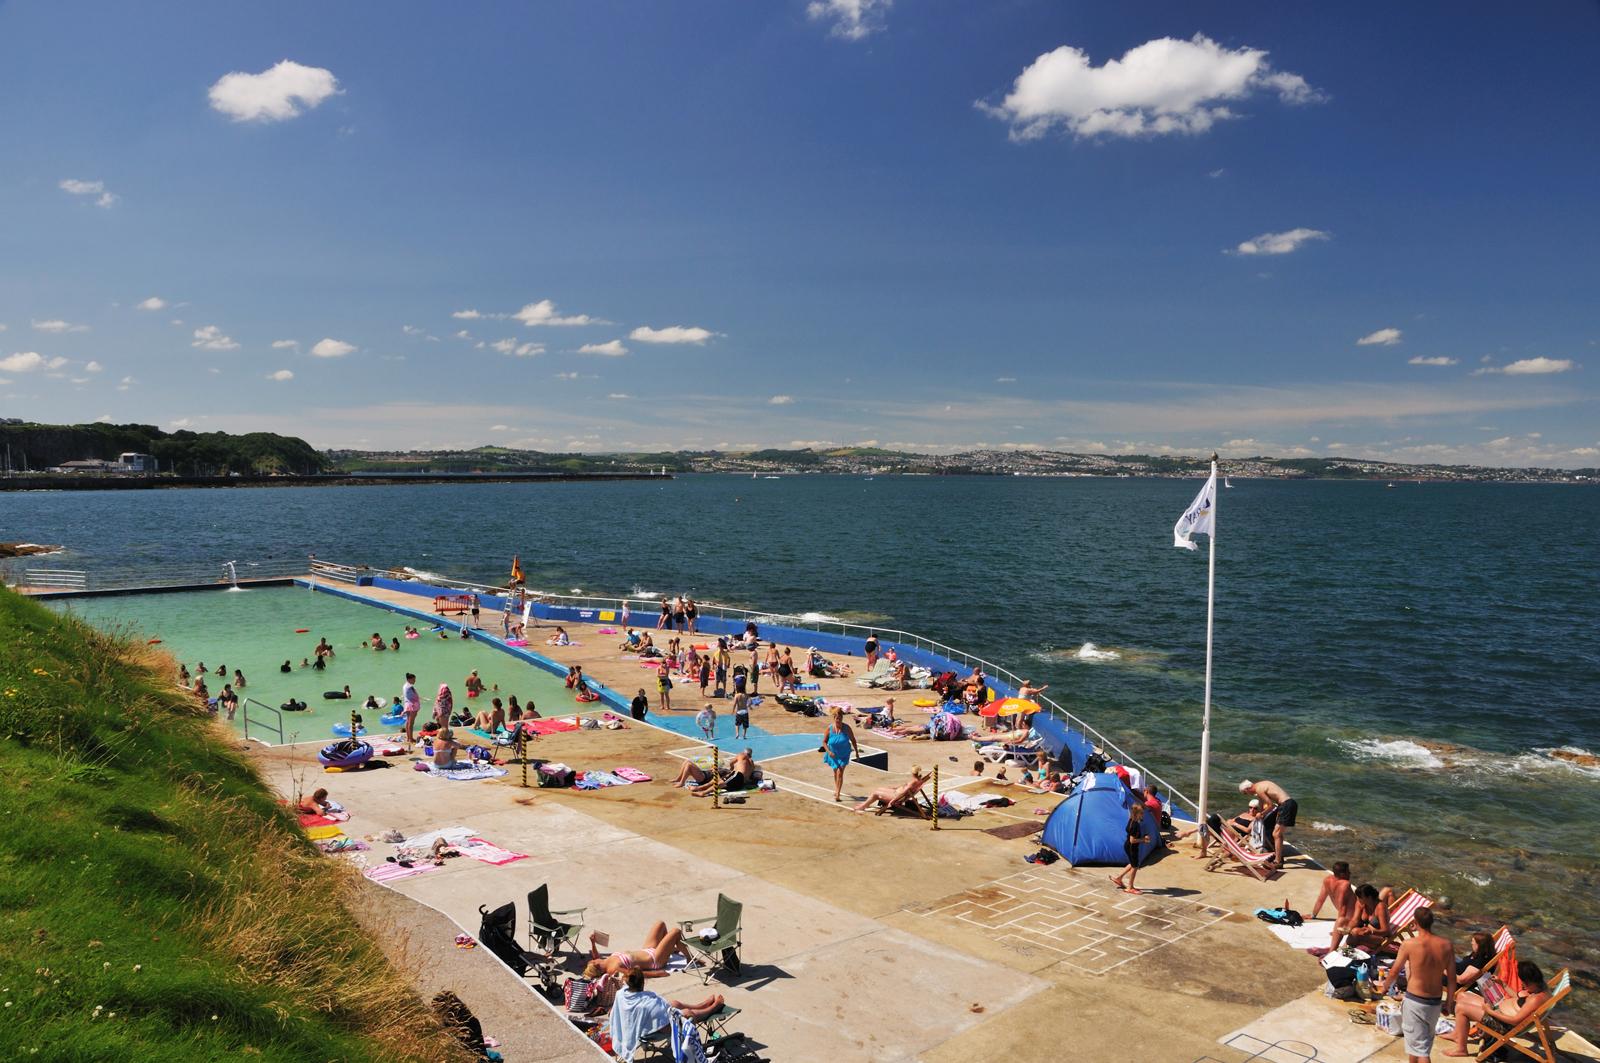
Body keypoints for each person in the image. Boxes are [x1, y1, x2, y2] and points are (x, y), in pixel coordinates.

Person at [1377, 907, 1456, 1063]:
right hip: (1434, 1002)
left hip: (1415, 1001)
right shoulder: (1446, 945)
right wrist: (1449, 1002)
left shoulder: (1409, 944)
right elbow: (1452, 979)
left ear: (1415, 922)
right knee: (1418, 1044)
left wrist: (1384, 987)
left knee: (1421, 1051)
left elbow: (1394, 971)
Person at [605, 968, 725, 1062]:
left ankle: (703, 1004)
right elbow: (666, 1022)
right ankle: (713, 1008)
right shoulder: (648, 1004)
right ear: (642, 983)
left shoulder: (621, 994)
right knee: (688, 1014)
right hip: (648, 1033)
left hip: (633, 1026)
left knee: (674, 1003)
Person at [1445, 960, 1551, 1058]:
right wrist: (1502, 984)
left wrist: (1490, 1011)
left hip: (1502, 1024)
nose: (1522, 985)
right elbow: (1519, 1001)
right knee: (1462, 996)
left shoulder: (1536, 999)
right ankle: (1456, 1034)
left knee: (1461, 1008)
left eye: (1523, 983)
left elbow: (1515, 1021)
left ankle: (1461, 1049)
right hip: (1499, 1009)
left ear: (1529, 982)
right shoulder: (1540, 987)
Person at [1311, 883, 1389, 956]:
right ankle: (1332, 952)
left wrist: (1371, 931)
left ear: (1369, 897)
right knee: (1341, 921)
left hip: (1377, 937)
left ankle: (1344, 951)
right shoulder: (1360, 904)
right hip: (1361, 932)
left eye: (1360, 897)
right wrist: (1347, 929)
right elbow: (1355, 920)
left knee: (1355, 932)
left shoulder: (1380, 907)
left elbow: (1386, 931)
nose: (1358, 899)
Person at [1239, 779, 1297, 869]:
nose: (1247, 795)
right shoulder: (1260, 786)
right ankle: (1279, 858)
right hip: (1287, 804)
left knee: (1276, 834)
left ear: (1248, 789)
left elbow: (1271, 805)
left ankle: (1278, 862)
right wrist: (1261, 813)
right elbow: (1262, 805)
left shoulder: (1259, 789)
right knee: (1278, 834)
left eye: (1245, 793)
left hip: (1286, 805)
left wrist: (1261, 814)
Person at [1110, 803, 1153, 894]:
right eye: (1141, 813)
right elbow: (1132, 840)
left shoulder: (1131, 820)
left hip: (1128, 846)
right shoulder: (1135, 825)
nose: (1143, 815)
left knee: (1132, 863)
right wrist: (1143, 840)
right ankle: (1130, 887)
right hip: (1131, 847)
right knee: (1135, 866)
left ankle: (1118, 878)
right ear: (1137, 814)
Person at [821, 706, 859, 802]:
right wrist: (829, 752)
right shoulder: (829, 728)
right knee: (835, 772)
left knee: (840, 773)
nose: (838, 720)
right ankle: (836, 788)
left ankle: (837, 793)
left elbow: (853, 740)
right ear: (834, 718)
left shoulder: (847, 728)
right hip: (833, 754)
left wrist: (857, 753)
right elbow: (824, 742)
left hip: (844, 754)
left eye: (840, 718)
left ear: (842, 718)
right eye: (837, 718)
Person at [852, 767, 929, 813]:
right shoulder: (918, 780)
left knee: (875, 793)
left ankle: (863, 806)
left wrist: (892, 801)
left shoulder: (912, 782)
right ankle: (866, 804)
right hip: (897, 793)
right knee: (879, 789)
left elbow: (903, 793)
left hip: (897, 796)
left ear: (913, 773)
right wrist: (895, 788)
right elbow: (904, 790)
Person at [399, 672, 421, 744]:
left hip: (407, 704)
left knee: (408, 721)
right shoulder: (409, 686)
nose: (415, 681)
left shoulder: (405, 686)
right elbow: (414, 696)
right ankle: (410, 738)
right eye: (413, 679)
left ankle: (409, 738)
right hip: (412, 705)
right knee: (411, 723)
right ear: (409, 679)